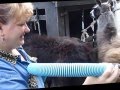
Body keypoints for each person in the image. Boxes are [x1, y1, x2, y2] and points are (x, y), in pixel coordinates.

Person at [0, 2, 119, 89]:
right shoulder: (5, 78)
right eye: (21, 24)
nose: (28, 29)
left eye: (27, 23)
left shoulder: (15, 49)